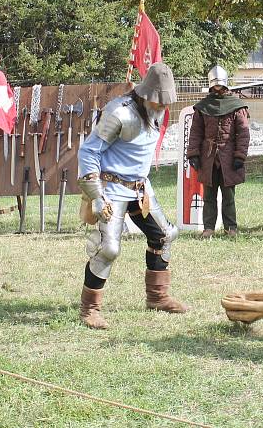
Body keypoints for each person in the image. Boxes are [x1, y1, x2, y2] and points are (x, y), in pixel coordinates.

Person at [76, 62, 187, 329]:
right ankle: (89, 309)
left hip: (140, 187)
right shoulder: (118, 112)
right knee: (109, 248)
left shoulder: (155, 110)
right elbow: (89, 152)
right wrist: (97, 196)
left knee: (164, 235)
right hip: (112, 187)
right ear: (147, 94)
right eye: (158, 101)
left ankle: (157, 297)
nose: (162, 107)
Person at [187, 65, 250, 238]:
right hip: (208, 157)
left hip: (228, 156)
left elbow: (243, 132)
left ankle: (231, 228)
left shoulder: (237, 106)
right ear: (210, 85)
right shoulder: (203, 107)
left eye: (220, 85)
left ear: (225, 84)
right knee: (209, 195)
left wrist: (240, 156)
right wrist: (193, 154)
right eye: (215, 85)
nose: (217, 87)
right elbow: (196, 132)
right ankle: (209, 228)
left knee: (228, 195)